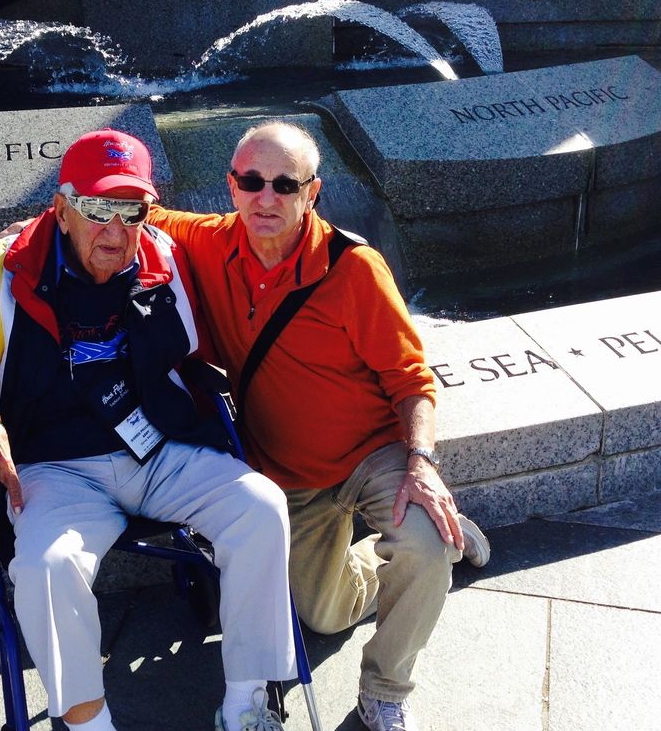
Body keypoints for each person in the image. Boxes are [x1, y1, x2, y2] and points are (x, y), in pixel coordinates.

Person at [0, 128, 296, 731]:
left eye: (130, 210)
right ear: (62, 209)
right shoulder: (6, 271)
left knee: (262, 506)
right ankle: (89, 724)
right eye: (96, 209)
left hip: (159, 449)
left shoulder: (164, 256)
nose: (115, 231)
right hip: (55, 469)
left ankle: (247, 701)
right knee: (43, 567)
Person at [141, 121, 491, 731]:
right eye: (252, 181)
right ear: (231, 186)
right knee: (323, 616)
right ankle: (405, 563)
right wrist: (38, 229)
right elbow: (128, 209)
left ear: (313, 192)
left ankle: (385, 690)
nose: (266, 197)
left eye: (285, 184)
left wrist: (421, 465)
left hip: (373, 454)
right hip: (288, 475)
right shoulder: (204, 240)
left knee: (424, 545)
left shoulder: (355, 269)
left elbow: (412, 380)